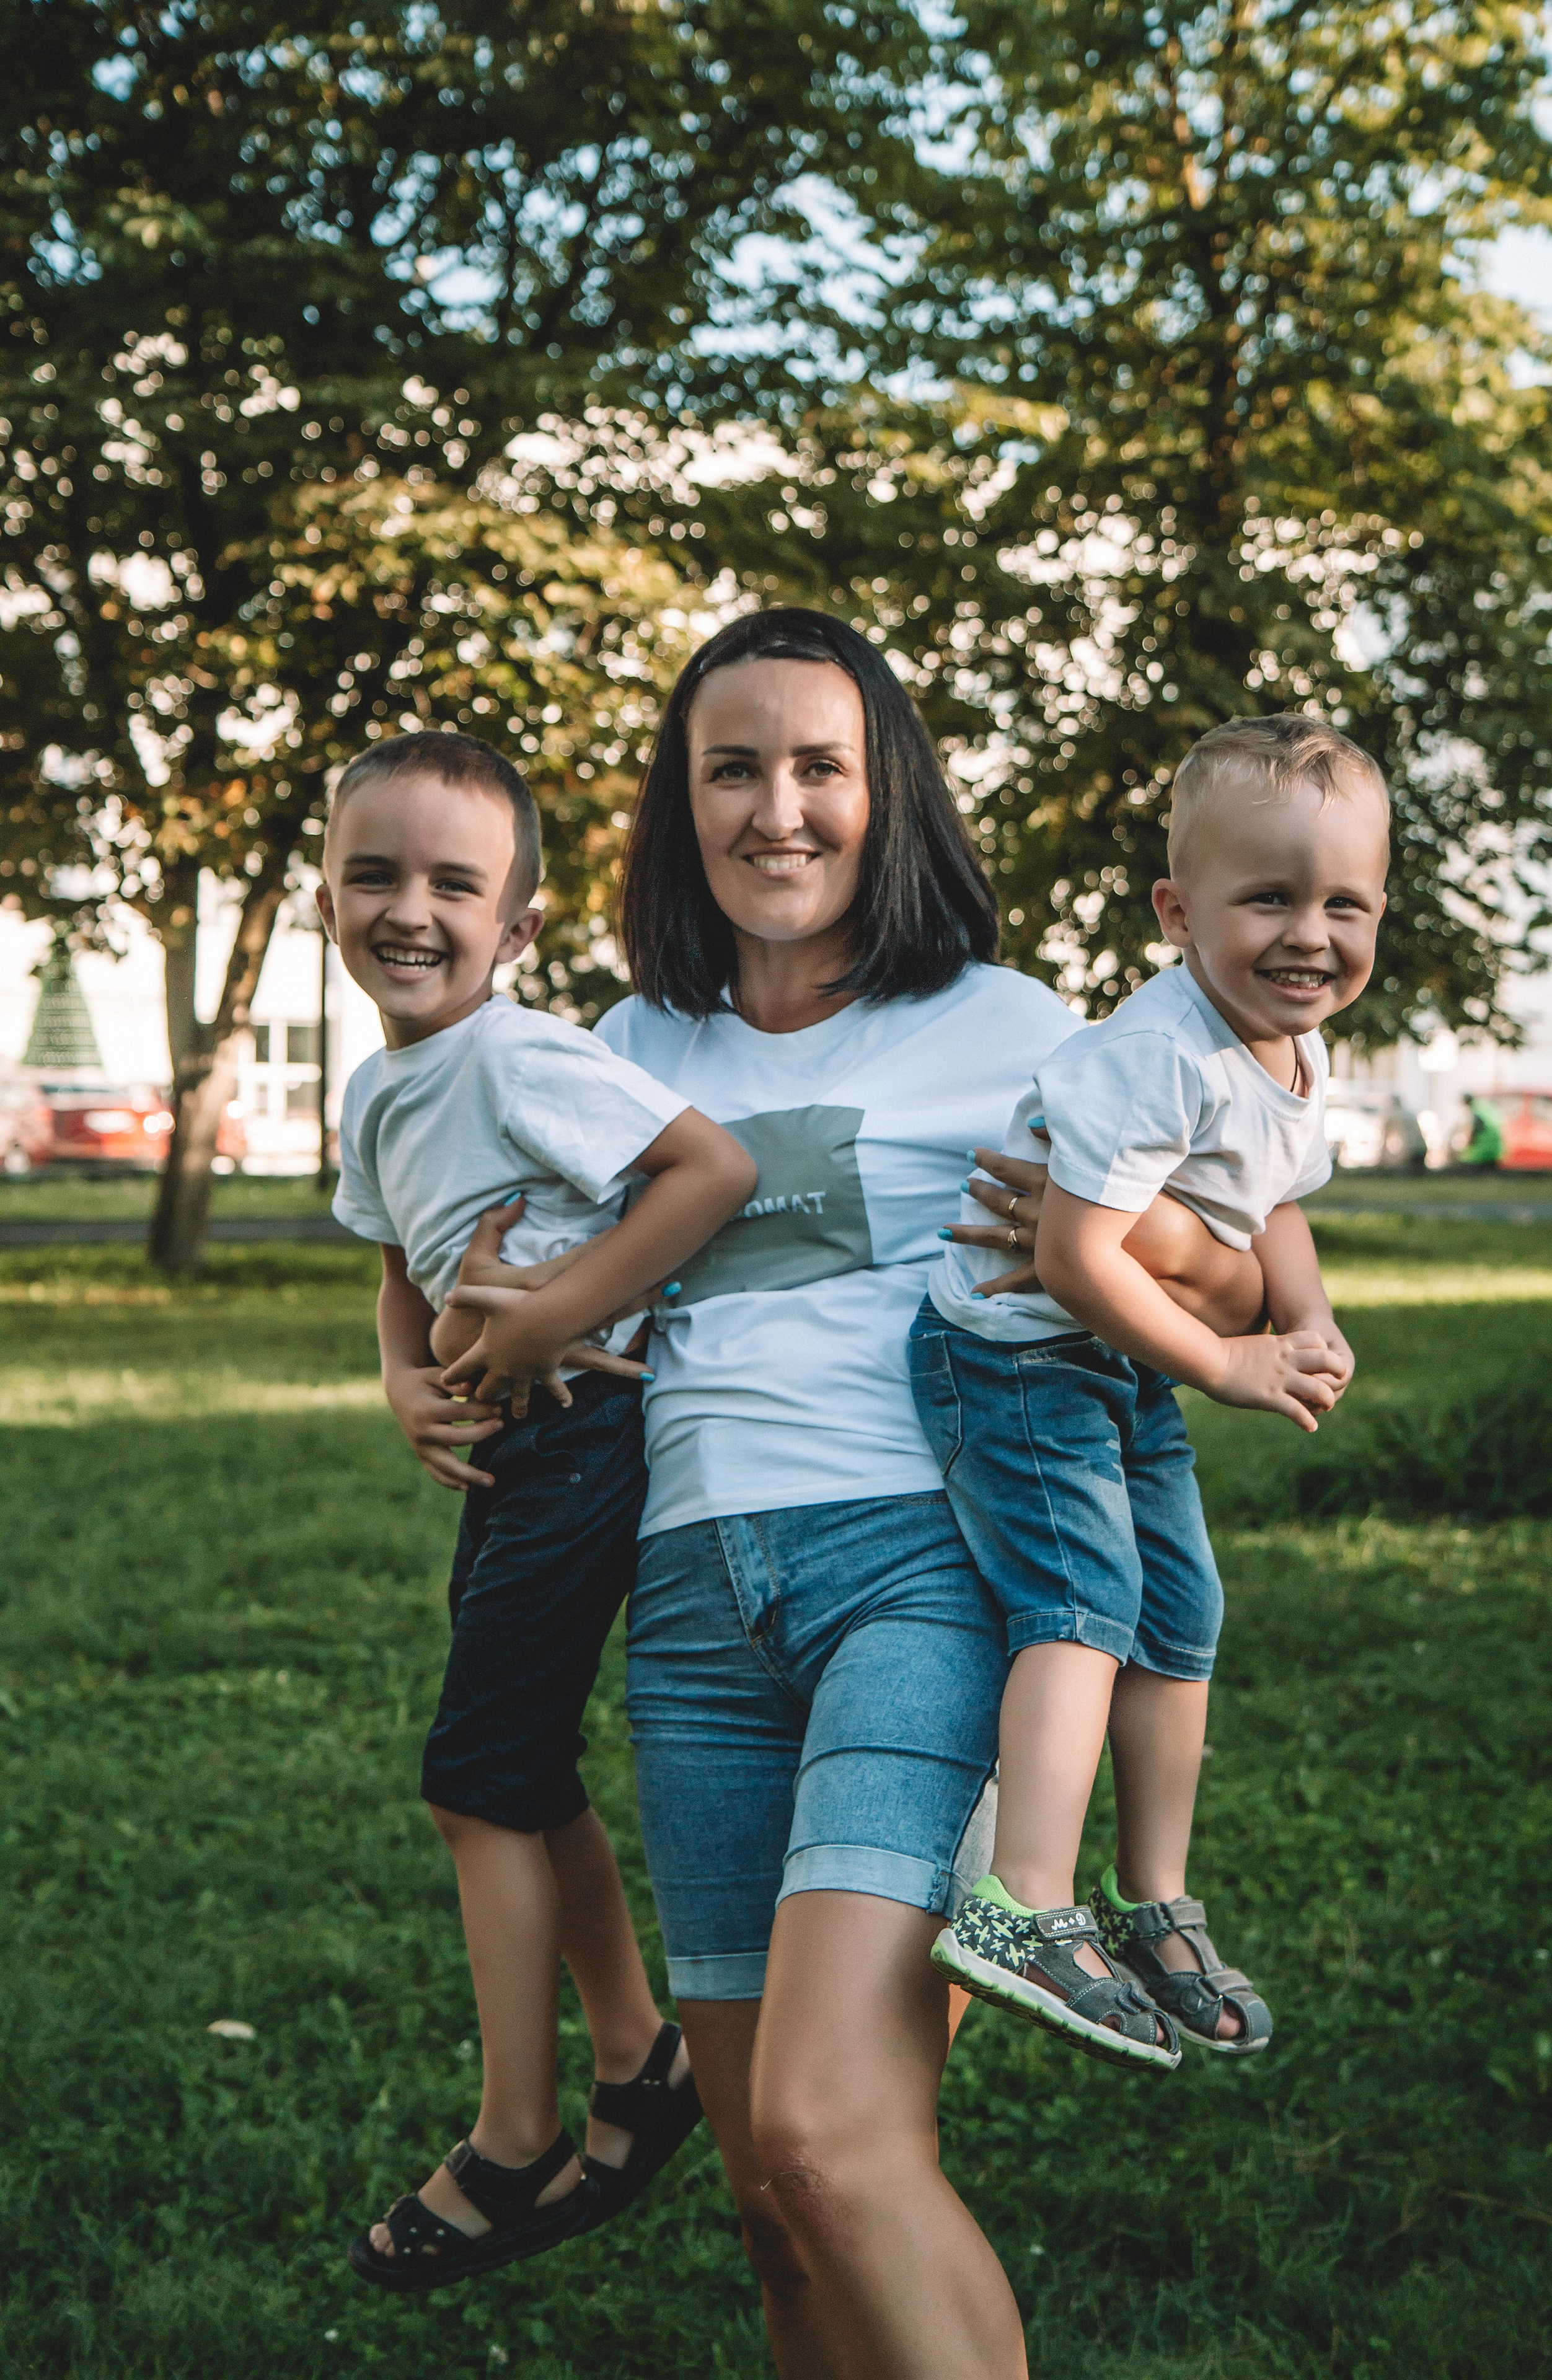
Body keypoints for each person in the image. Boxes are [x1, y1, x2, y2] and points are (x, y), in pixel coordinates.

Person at [460, 607, 1066, 2375]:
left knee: (830, 2134)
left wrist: (1136, 1244)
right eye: (734, 769)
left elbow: (1243, 1266)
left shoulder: (1011, 1025)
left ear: (892, 797)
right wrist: (425, 1371)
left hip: (922, 1585)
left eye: (821, 767)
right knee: (771, 2204)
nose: (776, 809)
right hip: (698, 1617)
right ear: (683, 801)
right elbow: (479, 1261)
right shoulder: (614, 1047)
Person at [317, 730, 757, 2293]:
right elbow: (394, 1260)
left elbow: (708, 1168)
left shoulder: (519, 1054)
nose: (409, 910)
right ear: (325, 891)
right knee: (512, 1764)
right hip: (506, 1443)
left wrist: (544, 1310)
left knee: (472, 1778)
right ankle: (638, 2054)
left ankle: (512, 2142)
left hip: (589, 1429)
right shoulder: (380, 1088)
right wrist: (402, 1375)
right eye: (374, 872)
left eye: (455, 883)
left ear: (516, 930)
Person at [922, 713, 1388, 2065]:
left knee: (1180, 1612)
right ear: (1178, 912)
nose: (1309, 933)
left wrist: (1299, 1313)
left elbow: (1271, 1199)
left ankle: (1150, 1900)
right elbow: (1070, 1257)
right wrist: (1229, 1361)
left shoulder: (1292, 1048)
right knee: (1082, 1601)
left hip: (1114, 1352)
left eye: (1342, 903)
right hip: (1011, 1356)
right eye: (1268, 898)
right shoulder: (1152, 1054)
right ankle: (1020, 1899)